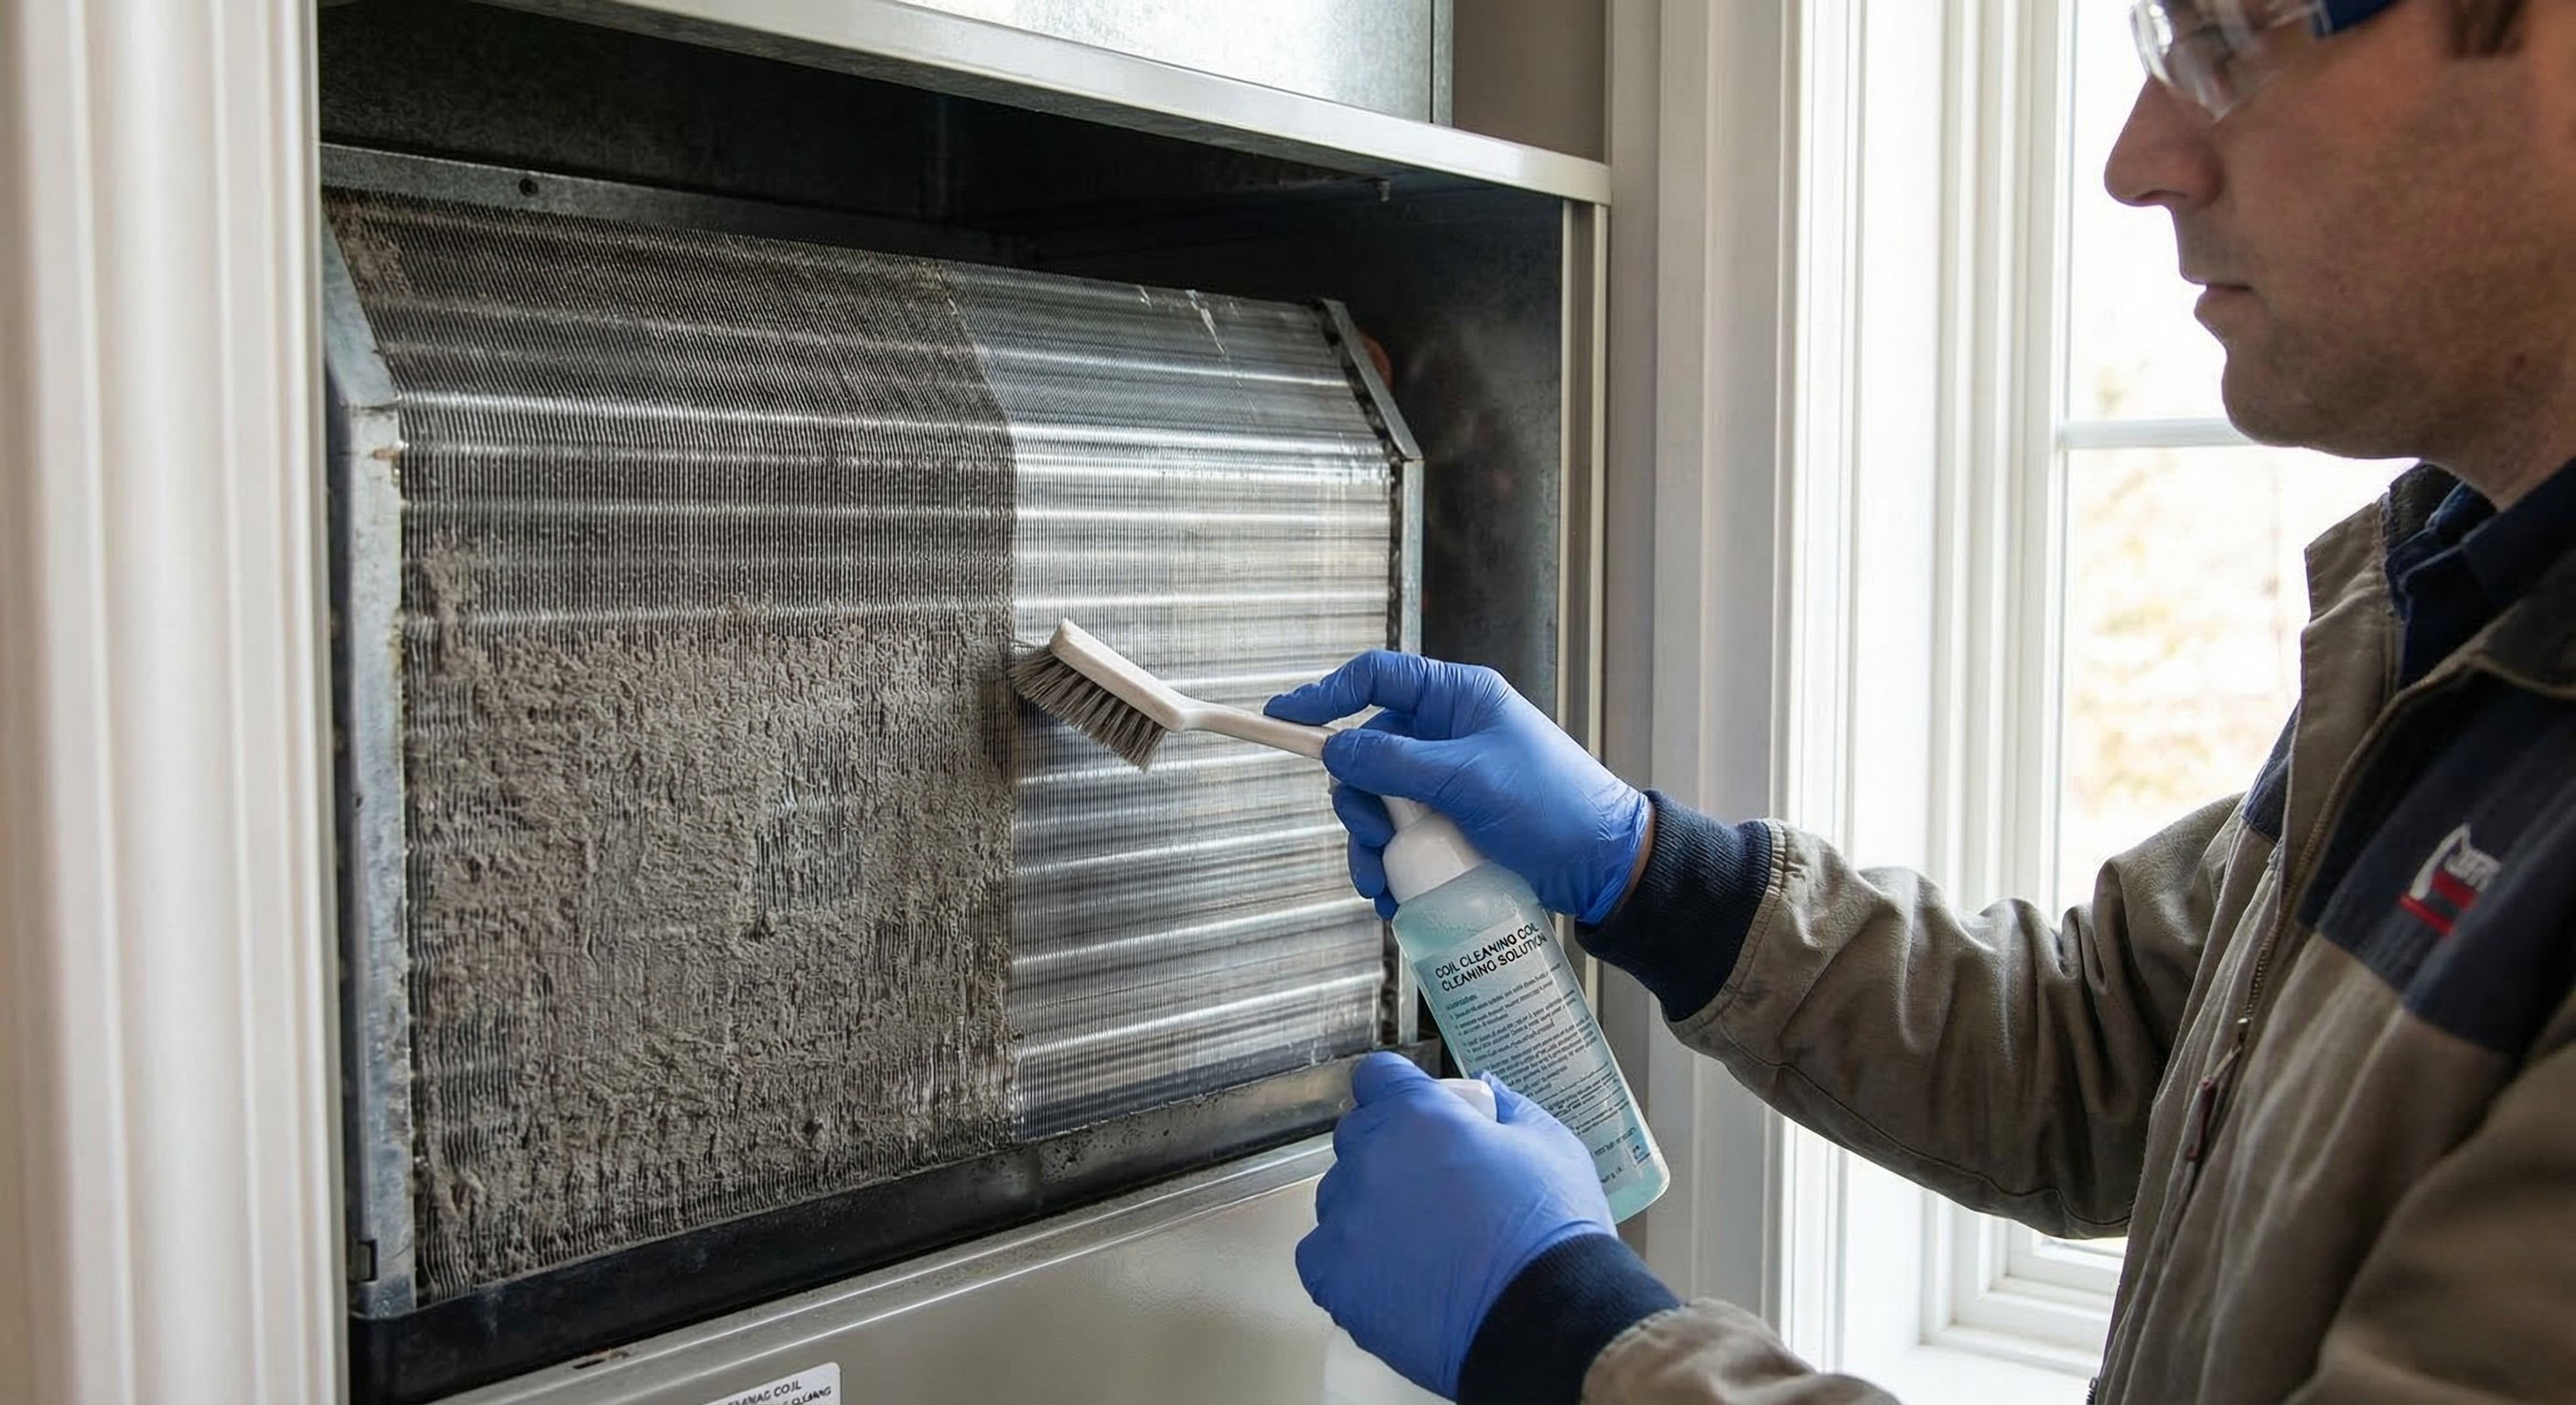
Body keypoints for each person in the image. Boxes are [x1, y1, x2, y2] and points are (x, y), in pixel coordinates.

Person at [1261, 1, 2576, 1400]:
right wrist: (1650, 869)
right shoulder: (2450, 622)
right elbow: (2105, 1050)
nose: (2141, 158)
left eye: (2231, 40)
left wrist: (1569, 1335)